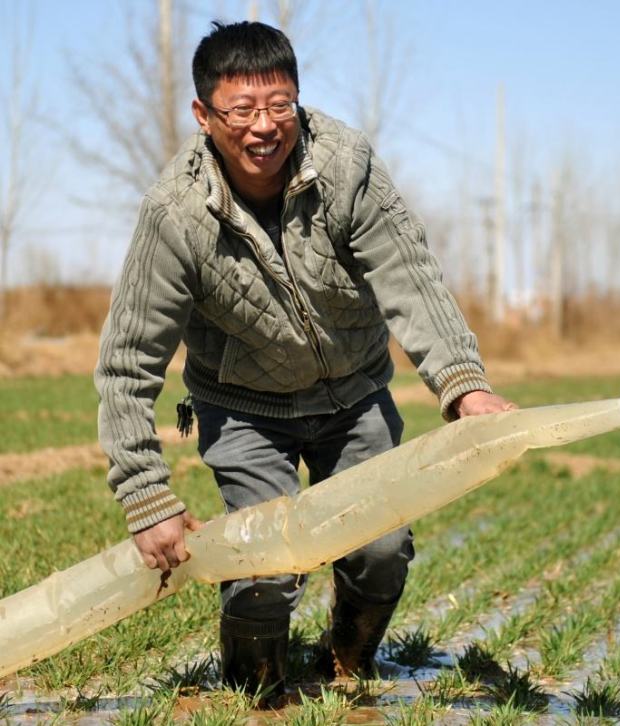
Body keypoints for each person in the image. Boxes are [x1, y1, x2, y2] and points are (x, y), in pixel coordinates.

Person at [94, 20, 514, 698]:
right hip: (243, 409)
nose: (265, 126)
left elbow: (410, 279)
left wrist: (465, 386)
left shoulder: (346, 166)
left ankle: (346, 662)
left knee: (381, 550)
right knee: (262, 570)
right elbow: (126, 365)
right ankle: (254, 690)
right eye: (242, 110)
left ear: (297, 98)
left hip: (354, 395)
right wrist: (145, 495)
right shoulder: (175, 213)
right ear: (204, 115)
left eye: (280, 104)